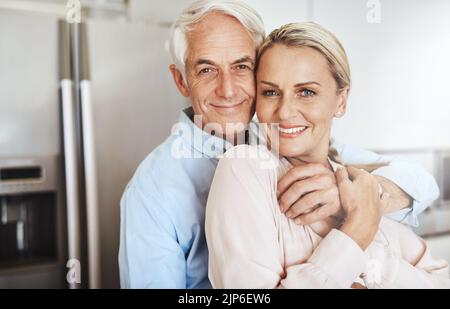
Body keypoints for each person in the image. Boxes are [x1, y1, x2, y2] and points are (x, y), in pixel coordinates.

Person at [119, 0, 439, 289]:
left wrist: (368, 196)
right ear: (180, 80)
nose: (228, 90)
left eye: (242, 67)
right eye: (206, 70)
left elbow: (421, 182)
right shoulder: (152, 191)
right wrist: (357, 235)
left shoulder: (287, 140)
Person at [205, 22, 450, 289]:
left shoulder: (356, 186)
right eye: (271, 92)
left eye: (306, 92)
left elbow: (440, 279)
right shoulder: (244, 168)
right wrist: (356, 233)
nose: (285, 112)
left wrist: (372, 257)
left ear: (341, 101)